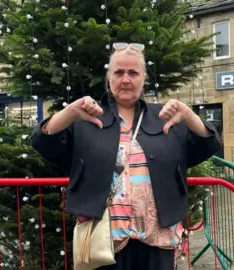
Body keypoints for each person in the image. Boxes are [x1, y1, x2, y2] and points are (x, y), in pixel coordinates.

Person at [31, 42, 222, 270]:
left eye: (133, 73)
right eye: (118, 72)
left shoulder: (166, 117)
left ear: (144, 78)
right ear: (109, 77)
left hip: (158, 237)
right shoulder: (87, 118)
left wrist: (190, 115)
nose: (125, 79)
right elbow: (42, 141)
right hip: (104, 239)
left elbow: (209, 143)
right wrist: (70, 112)